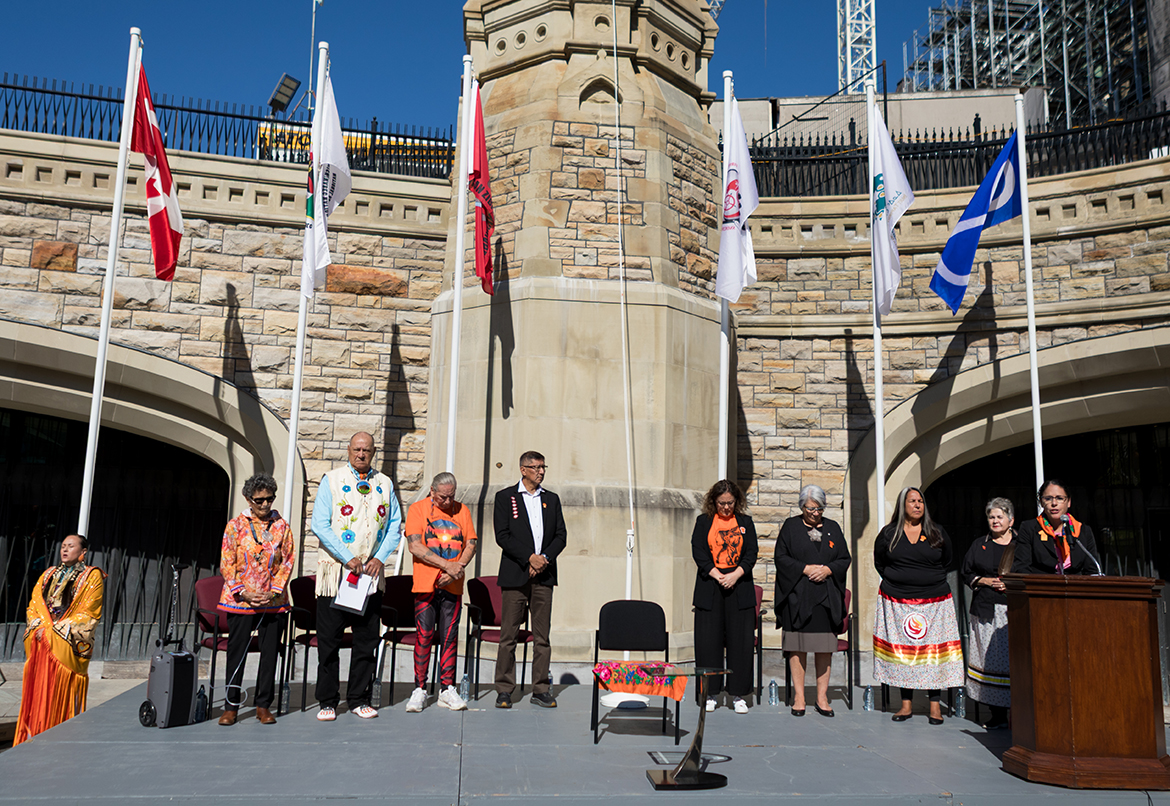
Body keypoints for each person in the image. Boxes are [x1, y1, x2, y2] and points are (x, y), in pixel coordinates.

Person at [310, 431, 402, 721]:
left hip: (369, 577)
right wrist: (347, 557)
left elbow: (395, 525)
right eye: (357, 449)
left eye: (367, 450)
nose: (362, 454)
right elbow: (320, 525)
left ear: (373, 453)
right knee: (329, 639)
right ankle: (327, 700)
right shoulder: (332, 480)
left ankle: (358, 698)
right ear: (349, 450)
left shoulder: (384, 483)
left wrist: (378, 558)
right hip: (337, 572)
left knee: (366, 640)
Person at [873, 487, 964, 725]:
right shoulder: (889, 533)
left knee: (932, 652)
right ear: (902, 505)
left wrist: (925, 579)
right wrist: (899, 580)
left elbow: (947, 560)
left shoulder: (936, 532)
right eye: (912, 501)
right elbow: (879, 562)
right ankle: (905, 705)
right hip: (897, 602)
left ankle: (935, 706)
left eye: (920, 501)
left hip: (934, 602)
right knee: (905, 653)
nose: (917, 505)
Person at [216, 473, 295, 726]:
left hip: (272, 600)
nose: (264, 505)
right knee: (236, 653)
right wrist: (244, 592)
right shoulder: (235, 525)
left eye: (269, 499)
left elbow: (288, 561)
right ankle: (231, 705)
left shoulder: (282, 526)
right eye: (259, 500)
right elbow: (227, 563)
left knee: (270, 653)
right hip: (241, 600)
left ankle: (263, 705)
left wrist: (273, 591)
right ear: (248, 499)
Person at [493, 450, 567, 709]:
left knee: (542, 636)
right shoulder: (505, 497)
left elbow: (561, 535)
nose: (541, 471)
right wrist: (529, 558)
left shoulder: (552, 500)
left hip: (544, 575)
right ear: (523, 469)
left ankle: (541, 689)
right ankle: (504, 689)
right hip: (515, 576)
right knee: (509, 636)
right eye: (535, 467)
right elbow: (502, 535)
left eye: (543, 467)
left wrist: (543, 558)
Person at [14, 534, 104, 745]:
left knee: (59, 693)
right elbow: (34, 605)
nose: (64, 550)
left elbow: (89, 612)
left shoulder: (92, 576)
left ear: (83, 553)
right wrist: (40, 626)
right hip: (42, 638)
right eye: (63, 546)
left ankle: (60, 734)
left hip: (62, 640)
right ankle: (36, 731)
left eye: (71, 546)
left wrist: (53, 630)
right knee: (39, 691)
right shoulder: (48, 575)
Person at [403, 472, 479, 712]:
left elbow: (471, 543)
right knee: (424, 635)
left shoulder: (462, 511)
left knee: (449, 637)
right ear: (432, 492)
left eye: (451, 497)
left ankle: (447, 688)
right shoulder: (417, 509)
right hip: (426, 585)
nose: (448, 502)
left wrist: (458, 569)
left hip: (453, 585)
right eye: (443, 497)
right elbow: (415, 545)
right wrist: (447, 565)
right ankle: (420, 688)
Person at [773, 484, 851, 717]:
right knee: (797, 647)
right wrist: (805, 568)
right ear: (801, 506)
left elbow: (844, 558)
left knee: (823, 648)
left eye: (818, 509)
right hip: (797, 596)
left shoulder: (833, 528)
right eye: (810, 508)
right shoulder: (790, 527)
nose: (814, 513)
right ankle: (799, 696)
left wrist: (827, 570)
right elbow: (781, 558)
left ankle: (822, 697)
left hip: (825, 598)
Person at [691, 479, 759, 714]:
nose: (726, 508)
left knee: (740, 643)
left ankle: (738, 694)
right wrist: (717, 574)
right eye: (722, 503)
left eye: (730, 503)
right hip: (710, 588)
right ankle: (710, 693)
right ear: (714, 502)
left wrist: (735, 575)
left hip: (739, 589)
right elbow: (698, 551)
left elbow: (751, 553)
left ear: (736, 502)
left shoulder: (745, 523)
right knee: (708, 643)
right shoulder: (704, 522)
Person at [960, 497, 1016, 731]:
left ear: (1011, 520)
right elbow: (966, 572)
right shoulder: (979, 545)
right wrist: (983, 580)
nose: (995, 521)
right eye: (991, 517)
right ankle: (998, 714)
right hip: (986, 610)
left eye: (999, 516)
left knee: (1014, 662)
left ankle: (1020, 711)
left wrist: (1011, 583)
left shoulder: (1023, 544)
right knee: (990, 661)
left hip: (1014, 610)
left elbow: (1032, 570)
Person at [1013, 479, 1101, 575]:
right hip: (1042, 587)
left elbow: (1092, 570)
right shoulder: (1029, 528)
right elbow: (1022, 567)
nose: (1054, 503)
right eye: (1048, 498)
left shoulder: (1083, 531)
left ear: (1068, 502)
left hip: (1075, 587)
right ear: (1042, 503)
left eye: (1059, 498)